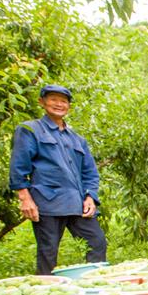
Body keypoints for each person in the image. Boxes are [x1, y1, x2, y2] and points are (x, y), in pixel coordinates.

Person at [9, 84, 107, 275]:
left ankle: (94, 282)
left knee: (97, 241)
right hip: (47, 202)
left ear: (69, 106)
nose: (59, 104)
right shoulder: (30, 129)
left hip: (77, 203)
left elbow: (90, 172)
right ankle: (46, 290)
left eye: (63, 101)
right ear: (42, 102)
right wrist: (25, 198)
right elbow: (18, 167)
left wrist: (90, 197)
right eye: (53, 99)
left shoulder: (77, 139)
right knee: (48, 251)